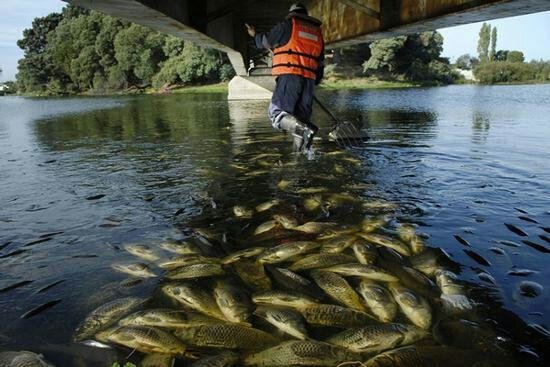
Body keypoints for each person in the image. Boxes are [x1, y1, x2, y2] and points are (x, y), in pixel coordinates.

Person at [246, 2, 325, 152]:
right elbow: (320, 62)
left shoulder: (288, 25)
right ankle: (299, 158)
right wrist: (315, 80)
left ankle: (305, 129)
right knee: (301, 121)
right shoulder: (317, 33)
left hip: (290, 76)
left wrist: (255, 35)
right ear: (305, 14)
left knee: (276, 114)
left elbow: (266, 41)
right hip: (308, 80)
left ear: (292, 14)